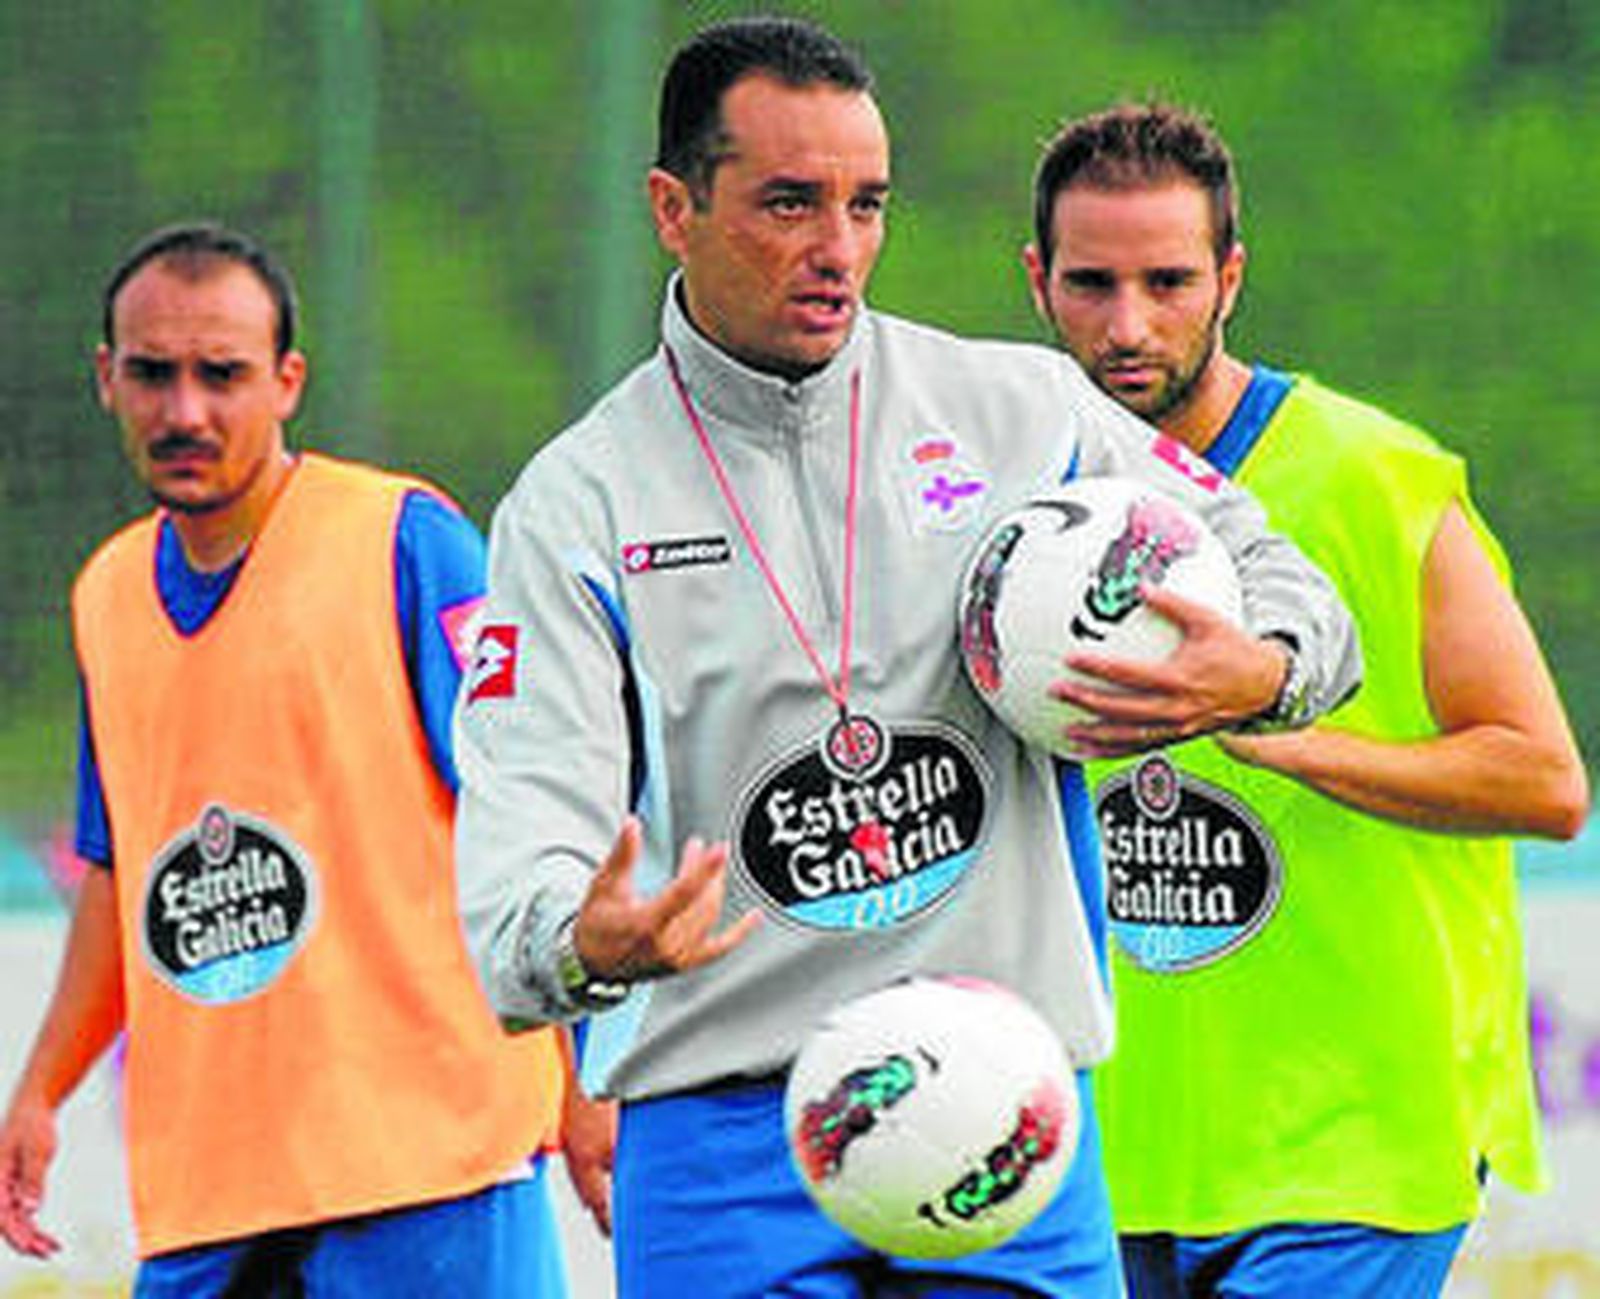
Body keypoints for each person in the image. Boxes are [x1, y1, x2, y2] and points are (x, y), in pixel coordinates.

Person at [454, 20, 1361, 1299]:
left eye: (865, 204)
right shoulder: (576, 505)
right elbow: (518, 871)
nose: (837, 248)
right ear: (674, 208)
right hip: (723, 1144)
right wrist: (582, 943)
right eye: (787, 203)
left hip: (1005, 1109)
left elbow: (1296, 594)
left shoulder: (1025, 416)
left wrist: (1259, 673)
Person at [1023, 102, 1590, 1298]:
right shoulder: (1015, 494)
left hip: (1356, 1143)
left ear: (1230, 276)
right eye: (1091, 284)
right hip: (1108, 1145)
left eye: (1169, 280)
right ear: (1036, 280)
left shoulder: (1375, 478)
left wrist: (1283, 735)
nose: (1128, 326)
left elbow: (1543, 782)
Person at [0, 223, 573, 1297]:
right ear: (104, 380)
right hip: (209, 1196)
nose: (185, 411)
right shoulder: (107, 596)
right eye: (152, 374)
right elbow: (122, 872)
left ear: (287, 381)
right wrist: (40, 1090)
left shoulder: (405, 539)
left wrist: (589, 1083)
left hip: (429, 1164)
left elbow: (531, 813)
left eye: (222, 375)